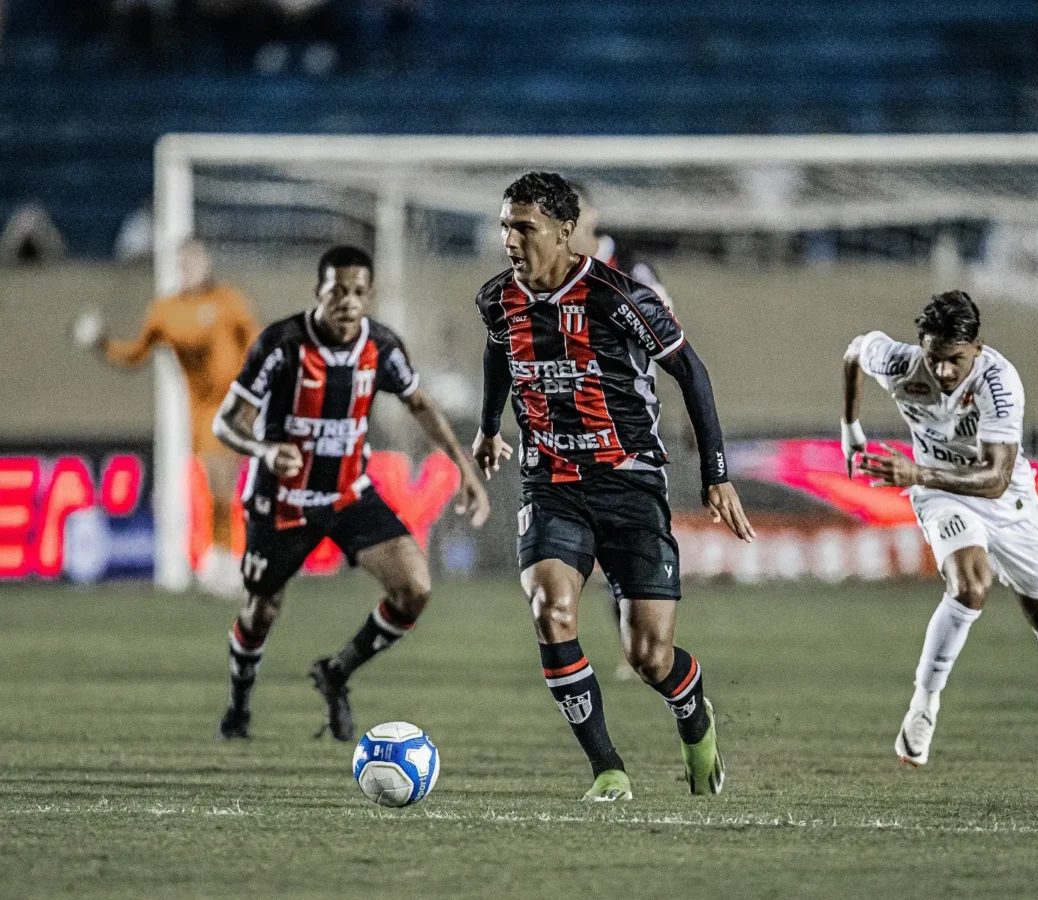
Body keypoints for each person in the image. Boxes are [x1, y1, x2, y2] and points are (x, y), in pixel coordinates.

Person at [472, 173, 755, 801]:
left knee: (652, 656)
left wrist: (716, 475)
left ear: (566, 231)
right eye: (504, 225)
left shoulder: (619, 295)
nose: (510, 239)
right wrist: (490, 428)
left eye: (524, 227)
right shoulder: (497, 298)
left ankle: (695, 717)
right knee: (552, 610)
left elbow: (690, 369)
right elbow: (498, 351)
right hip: (551, 482)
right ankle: (608, 768)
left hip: (629, 482)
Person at [211, 245, 489, 741]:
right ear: (318, 291)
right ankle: (238, 709)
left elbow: (419, 404)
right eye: (338, 290)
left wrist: (462, 465)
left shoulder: (381, 346)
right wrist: (266, 450)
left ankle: (337, 671)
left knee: (415, 590)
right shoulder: (282, 343)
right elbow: (225, 422)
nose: (348, 301)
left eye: (359, 292)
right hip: (282, 499)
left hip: (347, 493)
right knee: (261, 609)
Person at [842, 290, 1038, 775]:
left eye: (955, 360)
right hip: (941, 495)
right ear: (921, 347)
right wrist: (850, 425)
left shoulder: (1000, 382)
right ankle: (923, 707)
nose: (945, 372)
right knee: (970, 586)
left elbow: (995, 479)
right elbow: (853, 351)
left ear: (977, 348)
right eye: (935, 359)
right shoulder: (899, 363)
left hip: (1006, 499)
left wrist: (915, 474)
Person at [75, 238, 257, 596]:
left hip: (236, 405)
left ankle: (227, 561)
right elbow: (134, 355)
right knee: (215, 484)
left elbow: (255, 340)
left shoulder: (228, 301)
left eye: (196, 262)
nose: (191, 269)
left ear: (206, 264)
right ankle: (221, 563)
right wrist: (102, 342)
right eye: (185, 263)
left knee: (227, 486)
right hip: (203, 410)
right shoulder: (165, 312)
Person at [569, 181, 675, 681]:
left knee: (625, 544)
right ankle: (626, 647)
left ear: (590, 213)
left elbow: (671, 345)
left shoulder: (631, 270)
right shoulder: (552, 272)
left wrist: (684, 416)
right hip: (570, 434)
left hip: (629, 430)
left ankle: (642, 646)